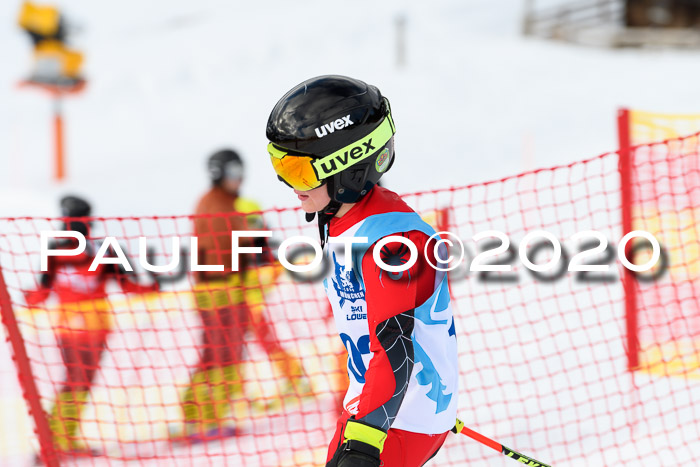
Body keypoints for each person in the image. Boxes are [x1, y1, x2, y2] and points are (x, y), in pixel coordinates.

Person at [266, 75, 459, 467]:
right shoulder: (338, 216)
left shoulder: (390, 242)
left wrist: (365, 441)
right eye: (280, 166)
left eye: (300, 173)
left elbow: (394, 348)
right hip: (375, 405)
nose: (290, 185)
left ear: (346, 168)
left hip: (395, 420)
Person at [176, 149, 310, 442]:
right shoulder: (216, 206)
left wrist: (262, 254)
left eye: (240, 173)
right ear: (219, 174)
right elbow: (232, 246)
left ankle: (200, 414)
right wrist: (261, 255)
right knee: (224, 355)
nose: (238, 179)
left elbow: (247, 242)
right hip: (220, 293)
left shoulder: (227, 203)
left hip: (228, 291)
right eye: (232, 173)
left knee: (222, 353)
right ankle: (204, 417)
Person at [24, 195, 158, 457]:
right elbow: (42, 290)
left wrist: (150, 288)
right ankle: (54, 440)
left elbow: (127, 283)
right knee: (75, 381)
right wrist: (24, 300)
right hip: (73, 328)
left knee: (80, 382)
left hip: (94, 328)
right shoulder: (57, 251)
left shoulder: (104, 249)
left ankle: (60, 439)